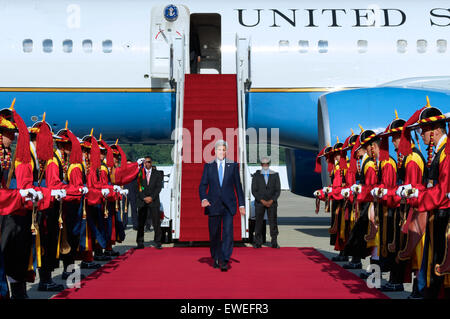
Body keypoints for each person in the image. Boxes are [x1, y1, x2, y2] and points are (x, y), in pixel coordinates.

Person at [400, 98, 450, 299]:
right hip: (436, 212)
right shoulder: (440, 151)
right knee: (433, 257)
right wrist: (416, 191)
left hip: (443, 214)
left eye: (424, 129)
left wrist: (419, 197)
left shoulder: (446, 153)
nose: (421, 134)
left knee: (439, 259)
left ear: (435, 130)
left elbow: (443, 190)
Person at [198, 140, 245, 272]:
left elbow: (238, 187)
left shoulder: (233, 165)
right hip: (213, 205)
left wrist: (241, 204)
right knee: (214, 234)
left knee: (228, 233)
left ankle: (224, 259)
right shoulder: (209, 166)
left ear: (226, 151)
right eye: (219, 150)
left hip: (229, 205)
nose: (221, 152)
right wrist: (204, 198)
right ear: (215, 151)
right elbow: (202, 186)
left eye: (224, 150)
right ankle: (216, 257)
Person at [251, 156, 281, 249]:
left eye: (267, 164)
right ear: (261, 164)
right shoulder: (256, 175)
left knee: (273, 222)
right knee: (258, 223)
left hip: (272, 202)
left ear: (269, 164)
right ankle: (257, 242)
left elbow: (277, 190)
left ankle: (274, 242)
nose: (265, 165)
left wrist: (272, 200)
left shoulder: (275, 175)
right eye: (263, 164)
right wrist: (262, 201)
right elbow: (254, 190)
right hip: (260, 202)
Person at [136, 156, 163, 249]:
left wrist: (151, 197)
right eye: (145, 162)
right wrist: (144, 197)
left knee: (156, 222)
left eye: (149, 162)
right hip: (142, 201)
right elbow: (138, 187)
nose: (147, 164)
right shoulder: (139, 173)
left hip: (153, 201)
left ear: (151, 163)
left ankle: (158, 241)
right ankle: (140, 242)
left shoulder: (157, 173)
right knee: (141, 223)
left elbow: (158, 187)